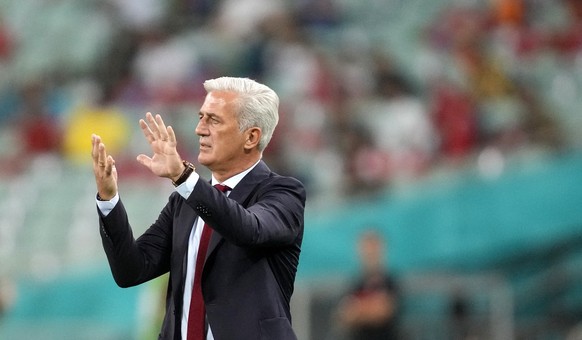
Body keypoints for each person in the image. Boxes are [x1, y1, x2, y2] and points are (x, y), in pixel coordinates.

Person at [91, 77, 306, 340]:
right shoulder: (185, 201)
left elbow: (249, 229)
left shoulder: (283, 193)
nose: (199, 129)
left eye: (214, 120)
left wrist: (183, 177)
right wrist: (109, 199)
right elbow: (132, 270)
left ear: (251, 137)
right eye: (201, 117)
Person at [336, 230, 399, 340]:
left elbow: (384, 312)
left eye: (373, 248)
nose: (370, 253)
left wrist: (359, 310)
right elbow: (344, 315)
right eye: (366, 248)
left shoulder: (390, 281)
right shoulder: (354, 284)